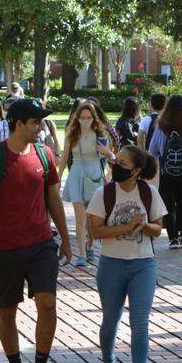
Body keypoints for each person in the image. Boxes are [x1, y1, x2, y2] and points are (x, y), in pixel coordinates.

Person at [0, 97, 72, 363]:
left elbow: (53, 199)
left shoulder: (44, 154)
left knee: (48, 303)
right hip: (3, 248)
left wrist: (65, 240)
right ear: (18, 124)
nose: (41, 127)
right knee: (6, 310)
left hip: (41, 243)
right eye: (36, 122)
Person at [85, 146, 165, 363]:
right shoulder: (104, 194)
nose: (115, 165)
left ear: (137, 170)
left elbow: (158, 229)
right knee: (111, 318)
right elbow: (95, 232)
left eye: (123, 163)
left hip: (143, 264)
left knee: (140, 324)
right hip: (112, 264)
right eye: (115, 160)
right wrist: (126, 227)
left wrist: (144, 225)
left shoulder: (149, 193)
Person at [59, 99, 115, 265]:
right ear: (77, 118)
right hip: (76, 171)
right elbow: (64, 158)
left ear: (94, 118)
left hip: (94, 173)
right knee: (79, 216)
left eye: (88, 117)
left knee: (92, 216)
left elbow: (111, 158)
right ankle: (81, 254)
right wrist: (57, 176)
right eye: (82, 118)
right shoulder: (72, 134)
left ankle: (90, 244)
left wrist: (106, 153)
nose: (85, 121)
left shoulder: (100, 134)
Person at [148, 95, 182, 248]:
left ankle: (172, 238)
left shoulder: (160, 125)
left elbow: (152, 151)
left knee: (168, 204)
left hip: (166, 172)